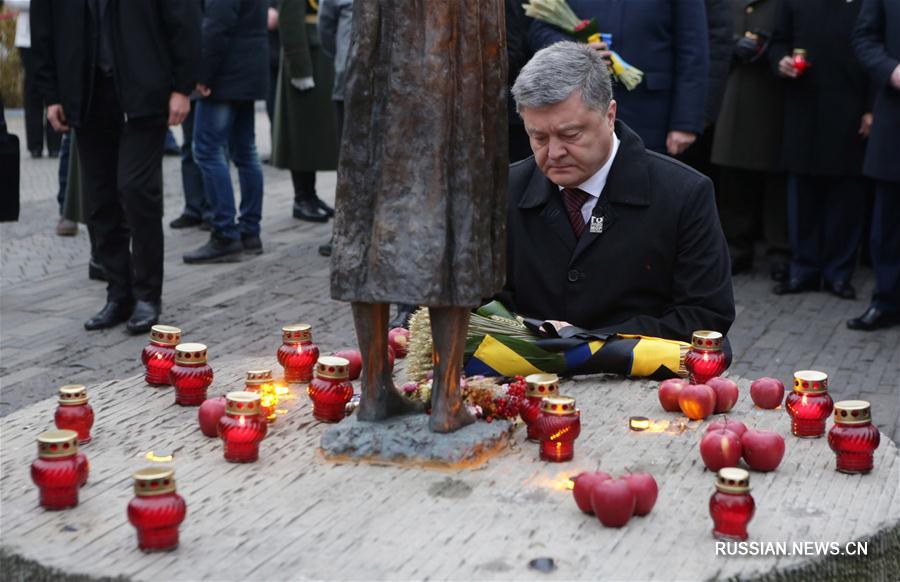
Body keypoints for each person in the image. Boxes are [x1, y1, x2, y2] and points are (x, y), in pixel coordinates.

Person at [331, 0, 507, 433]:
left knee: (369, 209)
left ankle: (375, 389)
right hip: (455, 62)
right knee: (455, 206)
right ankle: (446, 395)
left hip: (381, 60)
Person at [502, 41, 734, 343]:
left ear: (610, 115)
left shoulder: (684, 194)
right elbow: (481, 303)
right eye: (539, 137)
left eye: (570, 135)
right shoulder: (505, 191)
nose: (555, 152)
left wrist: (588, 342)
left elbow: (705, 315)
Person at [30, 0, 201, 333]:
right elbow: (44, 30)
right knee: (101, 200)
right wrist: (51, 95)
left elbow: (183, 18)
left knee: (136, 191)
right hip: (87, 96)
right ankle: (118, 293)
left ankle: (148, 295)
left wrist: (183, 87)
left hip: (144, 92)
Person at [769, 0, 871, 299]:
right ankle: (804, 270)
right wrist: (781, 62)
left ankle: (839, 273)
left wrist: (871, 109)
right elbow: (779, 42)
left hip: (851, 109)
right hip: (804, 108)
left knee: (847, 197)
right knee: (802, 196)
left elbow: (881, 47)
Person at [528, 0, 709, 157]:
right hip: (581, 108)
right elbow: (539, 29)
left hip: (650, 111)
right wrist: (576, 50)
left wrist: (685, 123)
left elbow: (693, 50)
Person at [183, 0, 268, 264]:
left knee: (207, 151)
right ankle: (249, 232)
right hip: (248, 68)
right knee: (246, 153)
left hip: (225, 75)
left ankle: (225, 234)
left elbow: (217, 26)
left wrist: (202, 76)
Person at [711, 0, 790, 279]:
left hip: (778, 91)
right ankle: (736, 247)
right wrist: (732, 45)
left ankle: (779, 250)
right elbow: (710, 32)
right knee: (734, 174)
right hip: (736, 90)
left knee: (777, 179)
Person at [849, 0, 900, 330]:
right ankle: (887, 301)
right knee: (889, 224)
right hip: (896, 120)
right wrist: (891, 70)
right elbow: (864, 38)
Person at [271, 0, 339, 224]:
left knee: (321, 132)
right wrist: (299, 66)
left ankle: (311, 195)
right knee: (301, 131)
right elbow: (289, 16)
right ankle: (303, 197)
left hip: (325, 51)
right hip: (307, 55)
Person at [8, 0, 61, 160]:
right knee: (32, 91)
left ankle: (55, 144)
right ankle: (35, 145)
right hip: (27, 38)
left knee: (55, 89)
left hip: (54, 36)